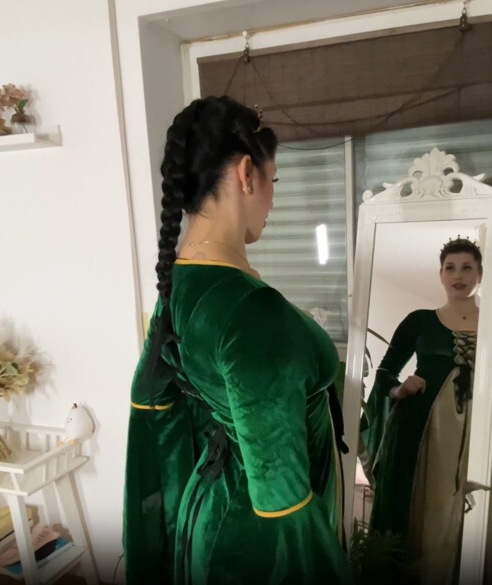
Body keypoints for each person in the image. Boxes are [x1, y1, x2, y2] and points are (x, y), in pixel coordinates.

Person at [123, 95, 352, 585]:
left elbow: (150, 398)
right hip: (254, 544)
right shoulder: (252, 310)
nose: (273, 199)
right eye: (274, 182)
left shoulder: (179, 283)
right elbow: (280, 497)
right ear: (247, 174)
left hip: (208, 509)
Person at [361, 237, 484, 585]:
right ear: (441, 275)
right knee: (419, 509)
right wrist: (399, 389)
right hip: (419, 431)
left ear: (480, 274)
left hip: (476, 429)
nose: (458, 275)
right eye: (450, 268)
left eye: (467, 267)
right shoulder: (420, 321)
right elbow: (385, 372)